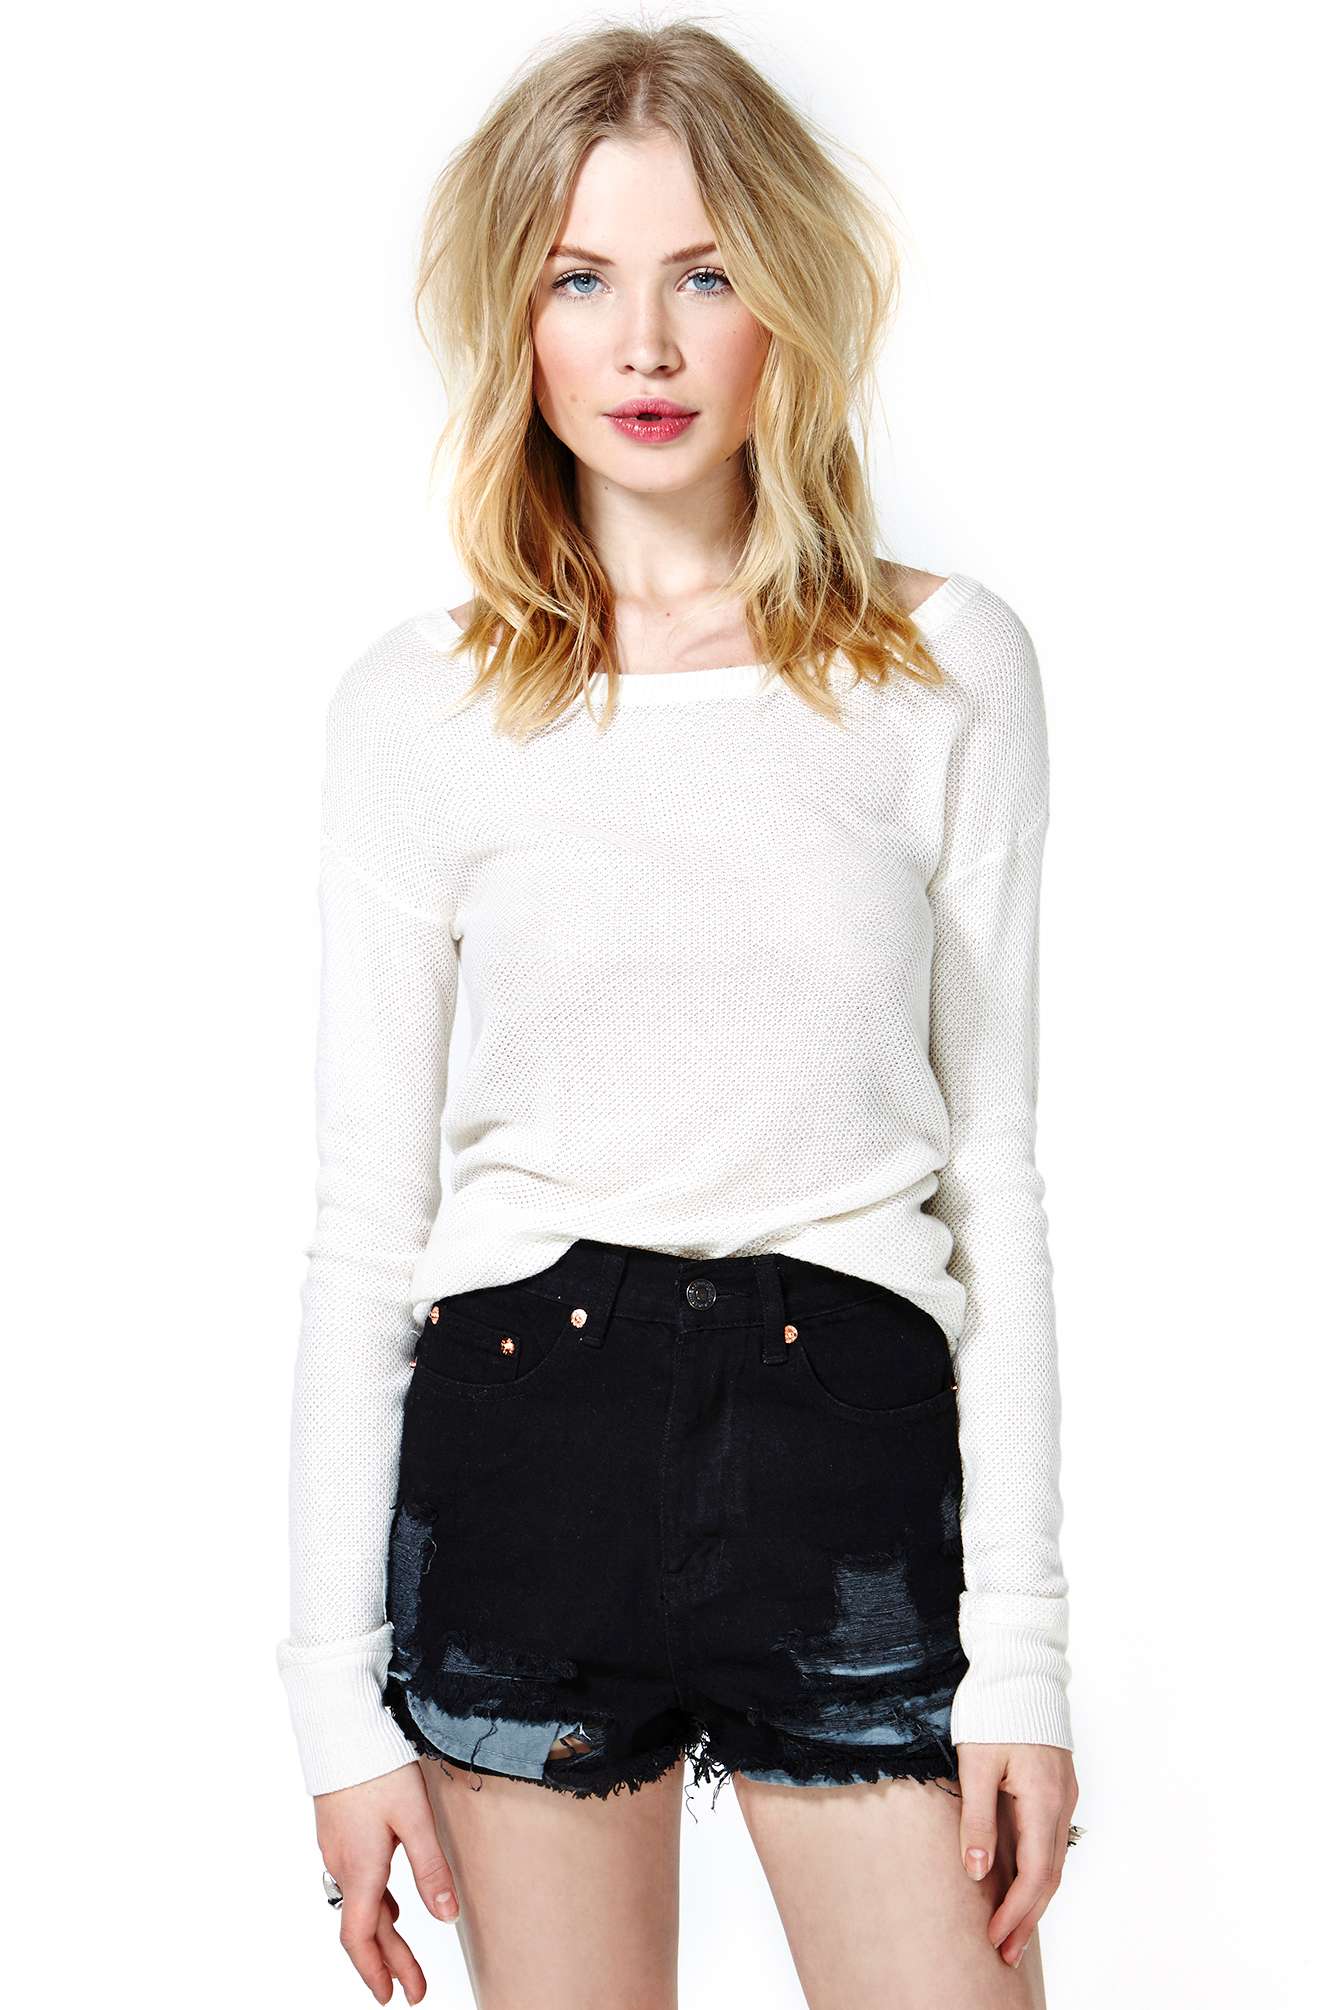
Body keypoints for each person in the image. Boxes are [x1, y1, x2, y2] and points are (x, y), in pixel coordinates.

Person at [276, 20, 1082, 2007]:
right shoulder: (420, 710)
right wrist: (331, 1705)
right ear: (516, 319)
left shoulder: (945, 671)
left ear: (786, 298)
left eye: (704, 274)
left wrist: (1024, 1657)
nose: (643, 344)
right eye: (581, 278)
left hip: (850, 1453)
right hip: (525, 1446)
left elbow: (992, 1173)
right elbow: (364, 1222)